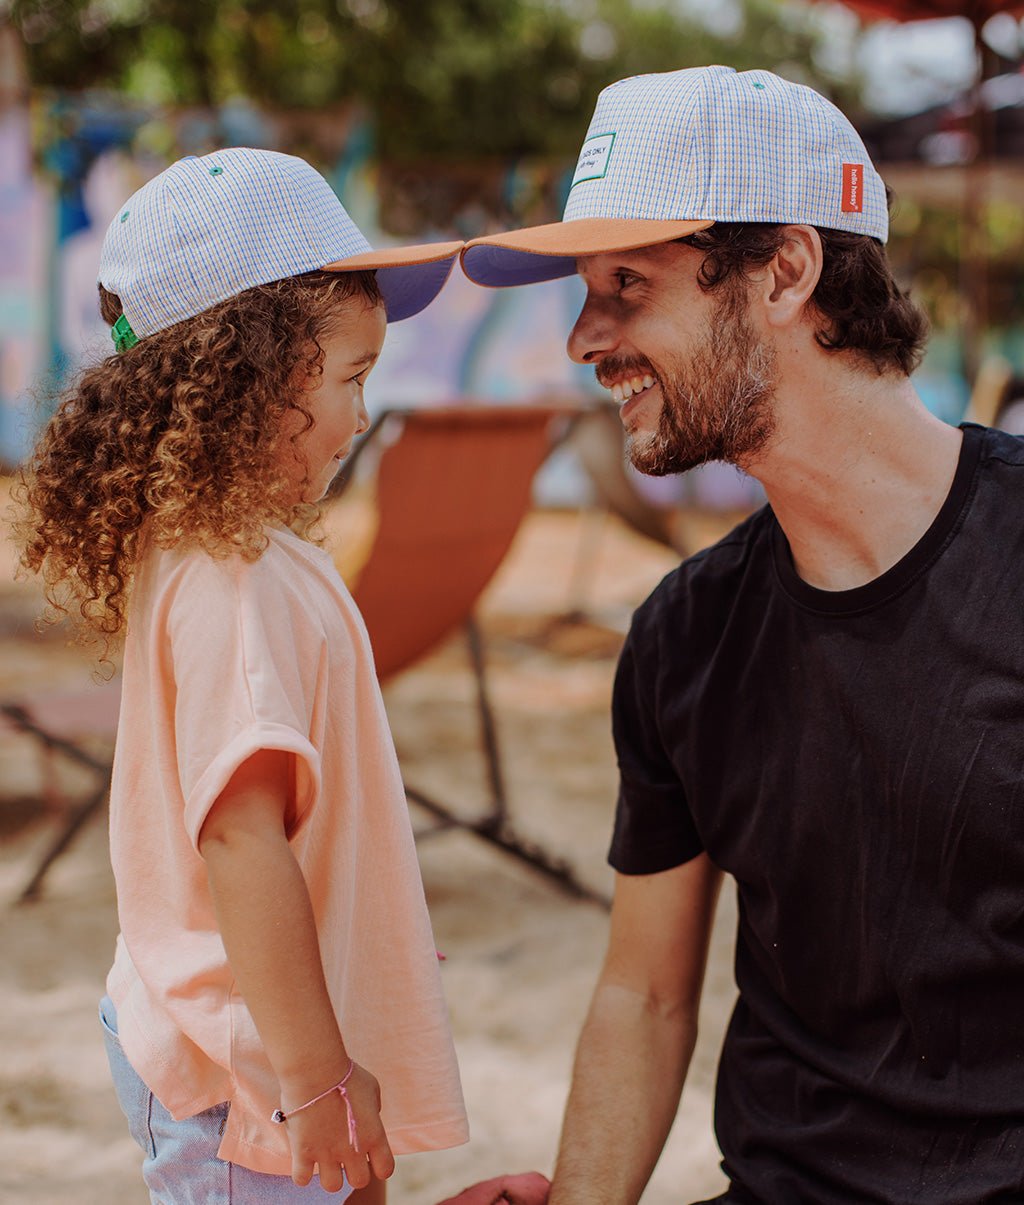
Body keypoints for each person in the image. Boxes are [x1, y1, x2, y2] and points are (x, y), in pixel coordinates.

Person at [461, 65, 1024, 1203]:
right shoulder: (683, 638)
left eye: (626, 283)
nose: (585, 337)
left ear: (785, 271)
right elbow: (644, 993)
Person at [16, 147, 469, 1202]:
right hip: (249, 1078)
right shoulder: (235, 573)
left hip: (245, 1060)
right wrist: (311, 1078)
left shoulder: (225, 547)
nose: (363, 416)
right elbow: (237, 831)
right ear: (246, 376)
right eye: (351, 378)